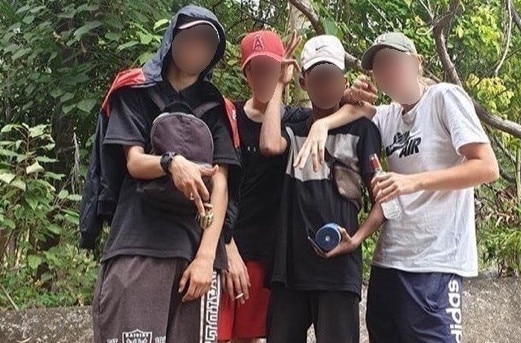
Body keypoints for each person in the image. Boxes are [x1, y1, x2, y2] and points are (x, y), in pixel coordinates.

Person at [293, 31, 500, 343]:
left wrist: (411, 182)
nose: (388, 72)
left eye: (394, 62)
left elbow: (487, 167)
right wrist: (323, 123)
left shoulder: (444, 98)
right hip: (389, 262)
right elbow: (353, 110)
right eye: (380, 68)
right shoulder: (388, 117)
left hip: (436, 262)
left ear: (417, 62)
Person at [87, 6, 241, 343]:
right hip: (139, 243)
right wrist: (172, 163)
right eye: (191, 39)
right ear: (172, 39)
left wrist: (205, 258)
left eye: (207, 44)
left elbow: (221, 184)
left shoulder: (219, 110)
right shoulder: (135, 92)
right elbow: (134, 162)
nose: (197, 49)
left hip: (194, 254)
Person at [260, 35, 383, 343]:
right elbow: (269, 144)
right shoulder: (294, 125)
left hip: (338, 272)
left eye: (332, 77)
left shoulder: (361, 130)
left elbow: (384, 200)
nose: (326, 84)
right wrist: (278, 84)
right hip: (289, 271)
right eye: (318, 77)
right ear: (304, 81)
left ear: (344, 82)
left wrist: (356, 240)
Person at [217, 30, 305, 343]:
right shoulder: (227, 117)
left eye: (273, 68)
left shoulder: (294, 120)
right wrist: (226, 247)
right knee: (215, 335)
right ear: (247, 74)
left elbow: (336, 110)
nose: (266, 76)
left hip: (265, 252)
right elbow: (219, 184)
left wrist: (282, 85)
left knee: (248, 337)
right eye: (259, 69)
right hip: (225, 244)